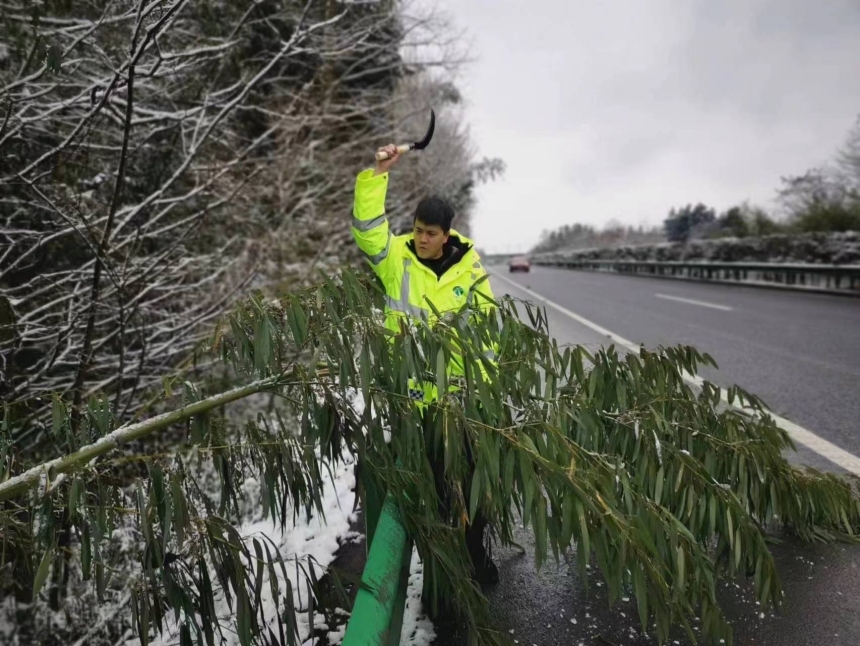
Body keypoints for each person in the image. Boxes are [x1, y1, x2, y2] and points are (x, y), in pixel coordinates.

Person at [351, 143, 499, 585]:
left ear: (446, 235)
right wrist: (378, 173)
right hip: (414, 405)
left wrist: (481, 394)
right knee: (433, 493)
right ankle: (441, 570)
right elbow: (366, 229)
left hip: (459, 404)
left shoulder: (471, 269)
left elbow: (487, 336)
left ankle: (476, 555)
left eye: (429, 233)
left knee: (475, 491)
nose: (420, 238)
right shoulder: (395, 259)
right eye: (417, 230)